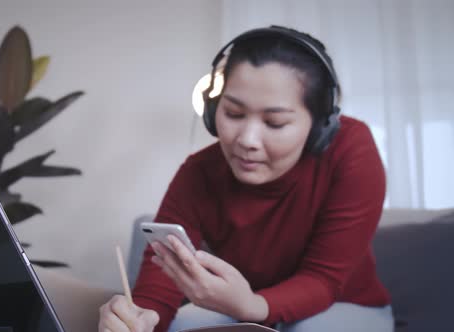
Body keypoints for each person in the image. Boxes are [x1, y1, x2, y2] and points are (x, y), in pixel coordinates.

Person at [98, 25, 394, 332]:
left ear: (321, 126)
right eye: (234, 114)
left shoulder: (351, 149)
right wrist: (142, 318)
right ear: (214, 110)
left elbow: (323, 280)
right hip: (240, 307)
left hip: (343, 304)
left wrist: (251, 306)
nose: (247, 140)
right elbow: (160, 284)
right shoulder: (199, 171)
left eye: (275, 122)